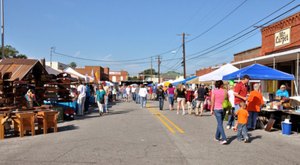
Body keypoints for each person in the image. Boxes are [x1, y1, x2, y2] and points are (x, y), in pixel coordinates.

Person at [210, 80, 227, 145]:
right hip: (223, 109)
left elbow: (212, 101)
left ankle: (224, 138)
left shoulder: (214, 91)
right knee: (220, 123)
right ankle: (217, 137)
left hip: (217, 108)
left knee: (220, 124)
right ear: (222, 85)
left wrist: (211, 109)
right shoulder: (225, 91)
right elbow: (227, 99)